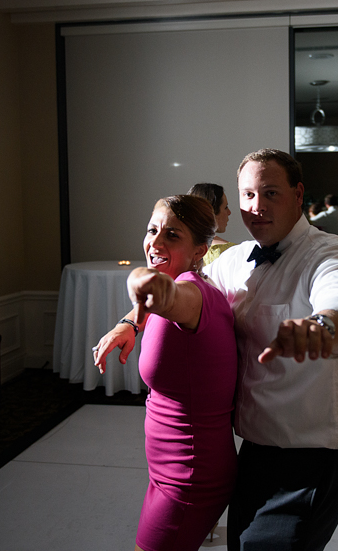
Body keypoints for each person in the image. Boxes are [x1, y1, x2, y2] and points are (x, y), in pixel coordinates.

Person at [205, 149, 338, 550]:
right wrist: (132, 320)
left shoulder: (328, 254)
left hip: (312, 460)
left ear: (298, 195)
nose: (255, 208)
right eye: (247, 195)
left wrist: (321, 327)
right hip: (254, 451)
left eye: (270, 194)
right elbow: (187, 294)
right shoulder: (235, 260)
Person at [92, 195, 237, 551]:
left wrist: (142, 279)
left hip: (188, 477)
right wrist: (131, 322)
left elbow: (165, 294)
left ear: (201, 249)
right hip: (170, 469)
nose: (154, 243)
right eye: (152, 230)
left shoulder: (192, 295)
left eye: (172, 235)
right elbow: (161, 298)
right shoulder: (181, 286)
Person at [187, 182, 235, 264]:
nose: (229, 212)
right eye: (225, 207)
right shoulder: (232, 251)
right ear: (212, 212)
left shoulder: (180, 251)